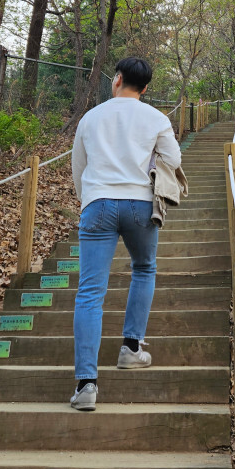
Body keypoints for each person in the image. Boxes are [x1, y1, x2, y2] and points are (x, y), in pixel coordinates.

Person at [69, 57, 182, 411]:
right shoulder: (156, 118)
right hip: (139, 205)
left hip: (98, 203)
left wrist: (89, 198)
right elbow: (174, 160)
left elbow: (78, 166)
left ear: (117, 80)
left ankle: (86, 385)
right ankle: (131, 349)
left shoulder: (91, 117)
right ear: (145, 88)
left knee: (89, 292)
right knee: (144, 269)